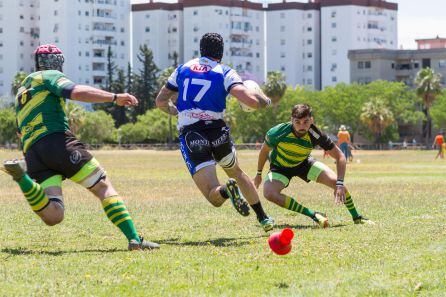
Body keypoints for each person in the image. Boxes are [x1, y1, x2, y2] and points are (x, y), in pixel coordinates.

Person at [2, 44, 159, 250]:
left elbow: (20, 130)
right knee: (103, 186)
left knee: (54, 215)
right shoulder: (49, 75)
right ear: (58, 63)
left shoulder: (23, 88)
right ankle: (134, 239)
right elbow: (75, 92)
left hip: (33, 151)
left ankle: (22, 178)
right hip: (57, 142)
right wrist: (114, 97)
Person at [155, 33, 275, 231]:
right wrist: (265, 100)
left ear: (201, 49)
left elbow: (160, 101)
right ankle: (263, 217)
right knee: (236, 172)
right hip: (217, 132)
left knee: (214, 195)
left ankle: (227, 191)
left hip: (192, 133)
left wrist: (176, 111)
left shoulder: (182, 69)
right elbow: (251, 102)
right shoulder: (225, 72)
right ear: (221, 52)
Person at [253, 104, 374, 227]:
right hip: (280, 168)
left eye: (305, 122)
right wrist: (258, 174)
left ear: (311, 120)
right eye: (297, 122)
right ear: (291, 120)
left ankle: (357, 217)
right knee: (269, 193)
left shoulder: (315, 134)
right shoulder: (277, 132)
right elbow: (264, 151)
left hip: (304, 163)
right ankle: (313, 214)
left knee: (335, 181)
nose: (301, 126)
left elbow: (340, 156)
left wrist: (340, 183)